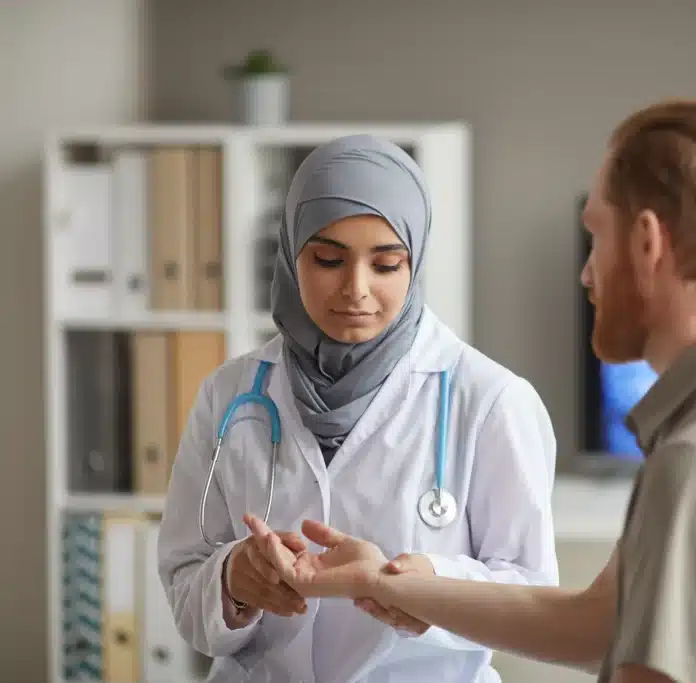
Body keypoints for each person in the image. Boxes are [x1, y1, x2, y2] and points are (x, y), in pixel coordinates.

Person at [247, 99, 696, 683]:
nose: (587, 271)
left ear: (646, 242)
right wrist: (393, 585)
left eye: (597, 235)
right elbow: (599, 625)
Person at [157, 134, 559, 683]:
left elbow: (533, 599)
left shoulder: (489, 400)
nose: (356, 289)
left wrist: (422, 583)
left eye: (387, 264)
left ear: (414, 262)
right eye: (327, 259)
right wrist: (231, 581)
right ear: (290, 249)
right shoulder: (230, 394)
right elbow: (184, 583)